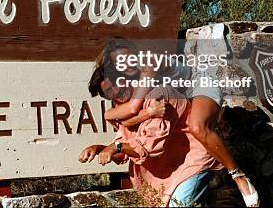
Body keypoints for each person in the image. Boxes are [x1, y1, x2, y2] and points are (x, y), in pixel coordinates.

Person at [96, 38, 259, 207]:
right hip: (180, 97)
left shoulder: (149, 65)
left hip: (197, 85)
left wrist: (109, 115)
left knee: (197, 127)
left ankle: (238, 175)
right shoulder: (129, 79)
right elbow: (128, 119)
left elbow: (132, 109)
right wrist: (144, 113)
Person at [80, 76, 221, 206]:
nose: (117, 91)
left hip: (193, 160)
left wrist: (116, 147)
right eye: (109, 91)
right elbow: (124, 151)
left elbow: (149, 147)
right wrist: (99, 149)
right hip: (168, 171)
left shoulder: (158, 95)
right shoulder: (121, 110)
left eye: (117, 83)